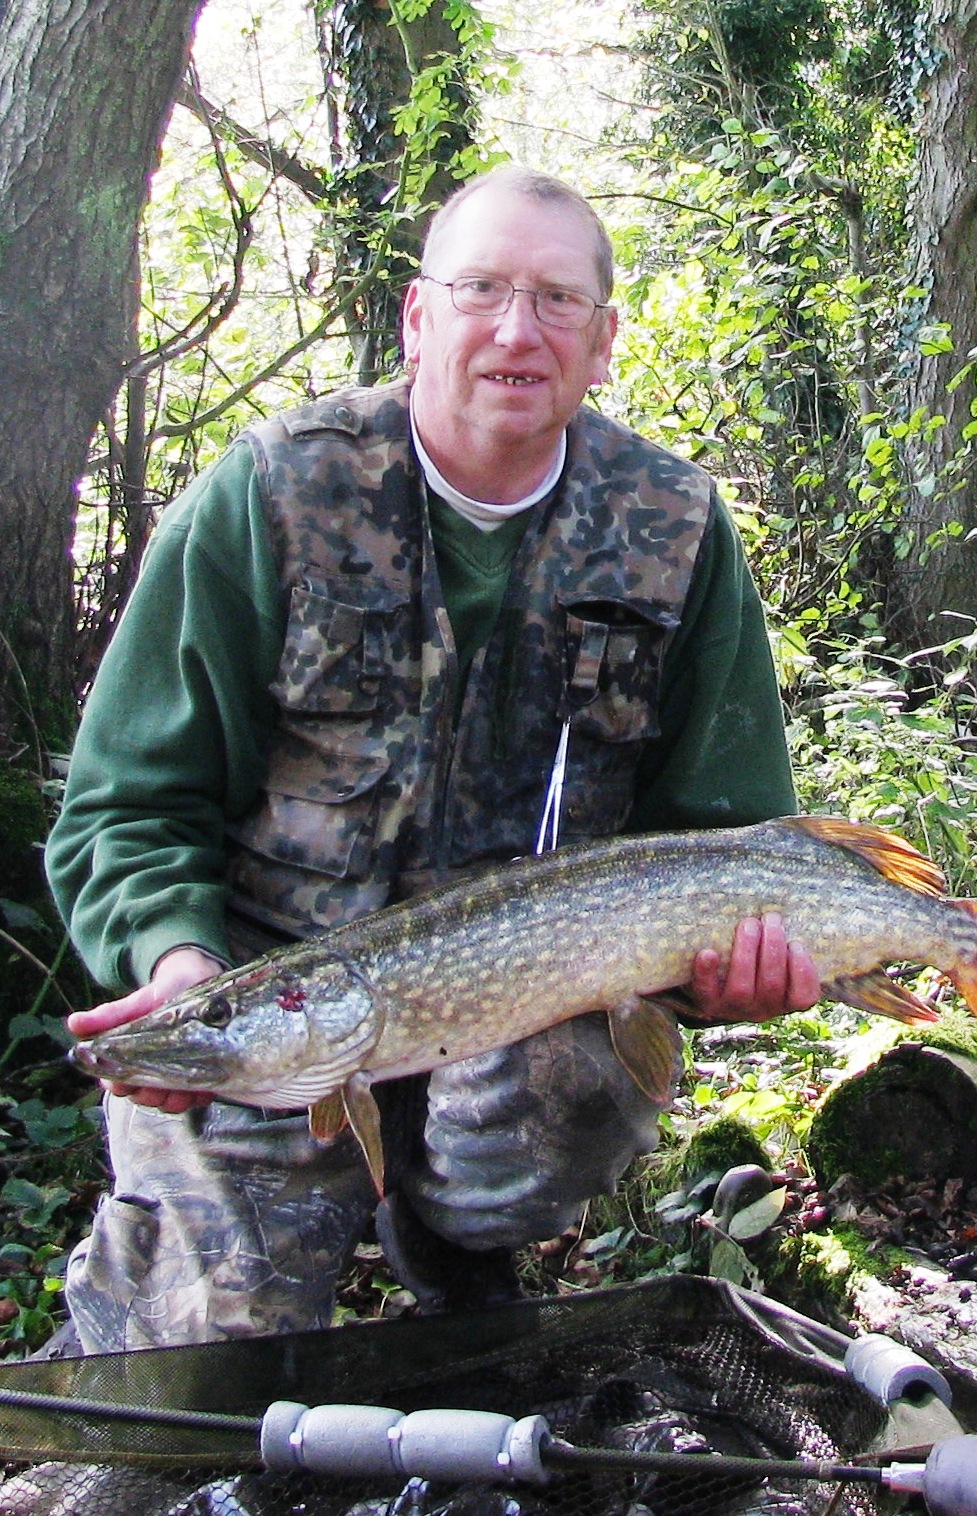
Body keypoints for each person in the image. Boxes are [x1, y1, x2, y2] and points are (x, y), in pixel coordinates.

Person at [46, 167, 820, 1353]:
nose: (517, 330)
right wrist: (180, 964)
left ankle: (455, 1234)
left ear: (605, 341)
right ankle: (273, 1228)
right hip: (273, 992)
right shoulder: (270, 494)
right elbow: (123, 806)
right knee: (203, 1354)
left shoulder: (671, 527)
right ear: (417, 317)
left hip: (525, 1009)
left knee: (547, 1114)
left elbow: (727, 834)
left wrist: (720, 972)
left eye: (558, 302)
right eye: (480, 290)